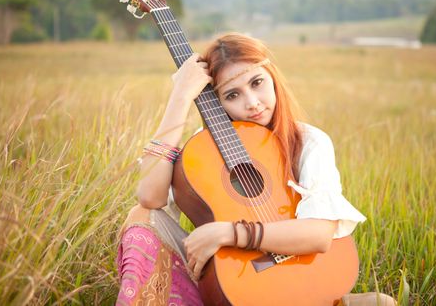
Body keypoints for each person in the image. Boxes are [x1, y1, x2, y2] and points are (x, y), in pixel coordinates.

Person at [115, 33, 396, 306]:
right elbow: (150, 199)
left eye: (257, 82)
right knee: (141, 215)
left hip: (303, 262)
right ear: (216, 101)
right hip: (230, 275)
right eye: (232, 94)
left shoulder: (308, 141)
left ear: (272, 77)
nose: (251, 102)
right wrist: (180, 98)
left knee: (384, 302)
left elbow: (320, 235)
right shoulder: (205, 149)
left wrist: (229, 233)